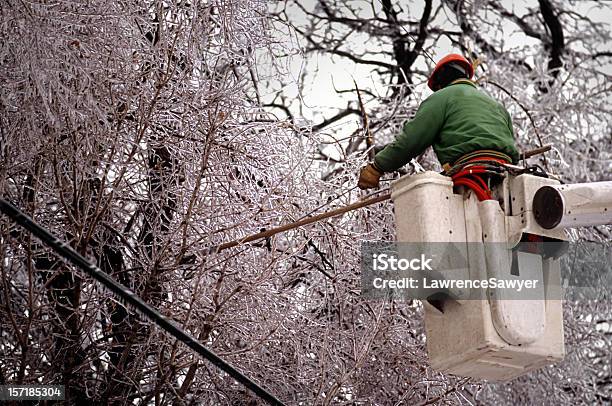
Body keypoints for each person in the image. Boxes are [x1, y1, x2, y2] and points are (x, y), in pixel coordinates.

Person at [358, 54, 519, 190]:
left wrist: (377, 167)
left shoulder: (440, 98)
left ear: (441, 80)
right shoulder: (496, 105)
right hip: (507, 173)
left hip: (471, 173)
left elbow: (411, 140)